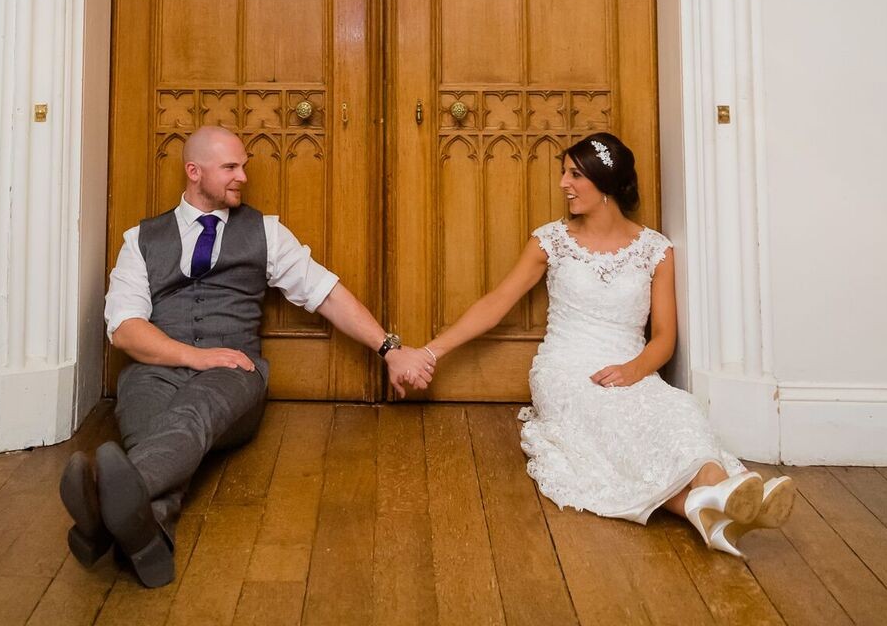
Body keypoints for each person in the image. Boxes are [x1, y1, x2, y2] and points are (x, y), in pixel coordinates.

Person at [59, 124, 433, 586]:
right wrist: (192, 357)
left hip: (235, 373)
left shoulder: (266, 232)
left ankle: (98, 508)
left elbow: (325, 293)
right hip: (155, 369)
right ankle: (147, 540)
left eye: (244, 167)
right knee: (149, 425)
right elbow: (126, 329)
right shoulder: (141, 239)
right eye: (230, 167)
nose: (243, 177)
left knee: (189, 416)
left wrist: (389, 348)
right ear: (194, 172)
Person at [419, 131, 795, 557]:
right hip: (566, 370)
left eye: (575, 174)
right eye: (564, 172)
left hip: (632, 367)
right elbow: (495, 304)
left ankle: (711, 500)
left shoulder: (656, 250)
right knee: (613, 430)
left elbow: (664, 338)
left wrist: (634, 370)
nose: (563, 183)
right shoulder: (551, 240)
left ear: (606, 184)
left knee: (678, 411)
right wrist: (430, 352)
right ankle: (721, 503)